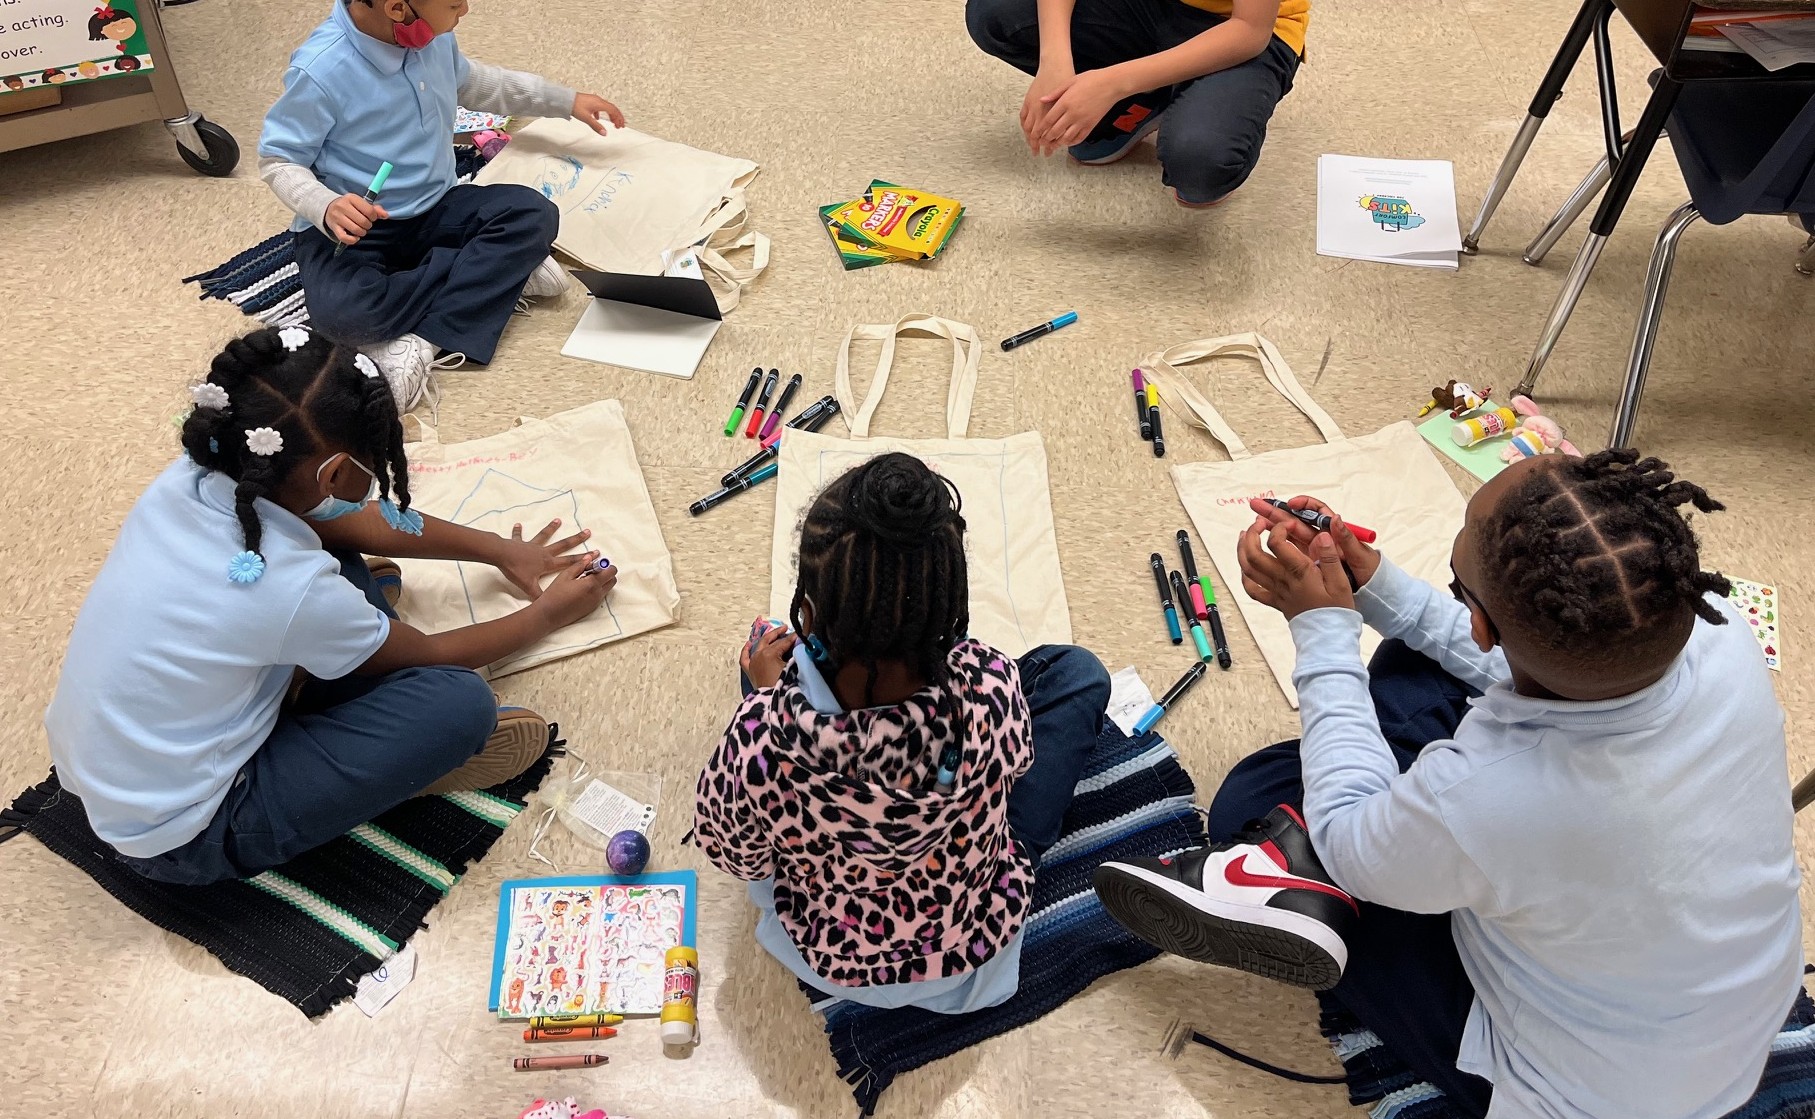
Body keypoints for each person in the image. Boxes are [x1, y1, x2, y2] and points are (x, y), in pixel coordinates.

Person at [1096, 451, 1802, 1118]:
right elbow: (1538, 657)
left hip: (1579, 1094)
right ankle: (1300, 862)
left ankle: (1293, 888)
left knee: (1258, 791)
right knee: (1412, 658)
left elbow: (1345, 831)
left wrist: (1320, 627)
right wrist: (1372, 584)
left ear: (1486, 625)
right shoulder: (1715, 626)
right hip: (1723, 1025)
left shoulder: (1493, 795)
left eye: (1458, 584)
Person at [43, 326, 617, 886]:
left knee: (331, 548)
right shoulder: (289, 589)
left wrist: (498, 550)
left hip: (118, 771)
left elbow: (351, 521)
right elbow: (433, 652)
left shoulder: (204, 477)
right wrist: (549, 613)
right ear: (337, 472)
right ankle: (385, 760)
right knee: (458, 704)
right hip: (187, 835)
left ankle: (341, 655)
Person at [692, 453, 1110, 1012]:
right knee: (1076, 673)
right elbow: (1017, 767)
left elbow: (742, 861)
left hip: (835, 952)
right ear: (950, 606)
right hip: (971, 932)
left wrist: (767, 696)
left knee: (757, 676)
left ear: (809, 617)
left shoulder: (757, 740)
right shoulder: (990, 682)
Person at [258, 0, 627, 408]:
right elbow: (279, 160)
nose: (465, 9)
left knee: (533, 215)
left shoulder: (432, 37)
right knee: (344, 317)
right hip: (356, 227)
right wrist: (324, 205)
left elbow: (478, 83)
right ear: (399, 9)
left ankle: (424, 339)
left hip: (437, 205)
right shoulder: (321, 71)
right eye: (455, 2)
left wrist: (564, 101)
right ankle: (494, 273)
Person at [965, 0, 1305, 207]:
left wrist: (1112, 84)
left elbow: (1249, 30)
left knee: (1200, 162)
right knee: (996, 13)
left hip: (1241, 28)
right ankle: (1147, 101)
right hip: (1153, 6)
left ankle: (1159, 90)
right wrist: (1054, 59)